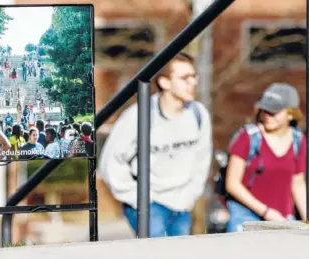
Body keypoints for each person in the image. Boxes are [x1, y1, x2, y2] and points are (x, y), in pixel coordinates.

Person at [99, 53, 212, 237]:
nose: (192, 82)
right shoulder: (138, 115)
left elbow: (202, 159)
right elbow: (110, 162)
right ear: (164, 82)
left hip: (183, 203)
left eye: (194, 76)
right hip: (149, 203)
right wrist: (137, 198)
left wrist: (191, 194)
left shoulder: (198, 114)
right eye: (184, 78)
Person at [225, 83, 307, 232]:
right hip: (245, 218)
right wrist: (266, 212)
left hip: (283, 219)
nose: (266, 116)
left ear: (290, 114)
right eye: (264, 110)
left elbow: (298, 185)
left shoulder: (298, 141)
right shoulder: (248, 137)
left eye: (273, 112)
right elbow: (232, 184)